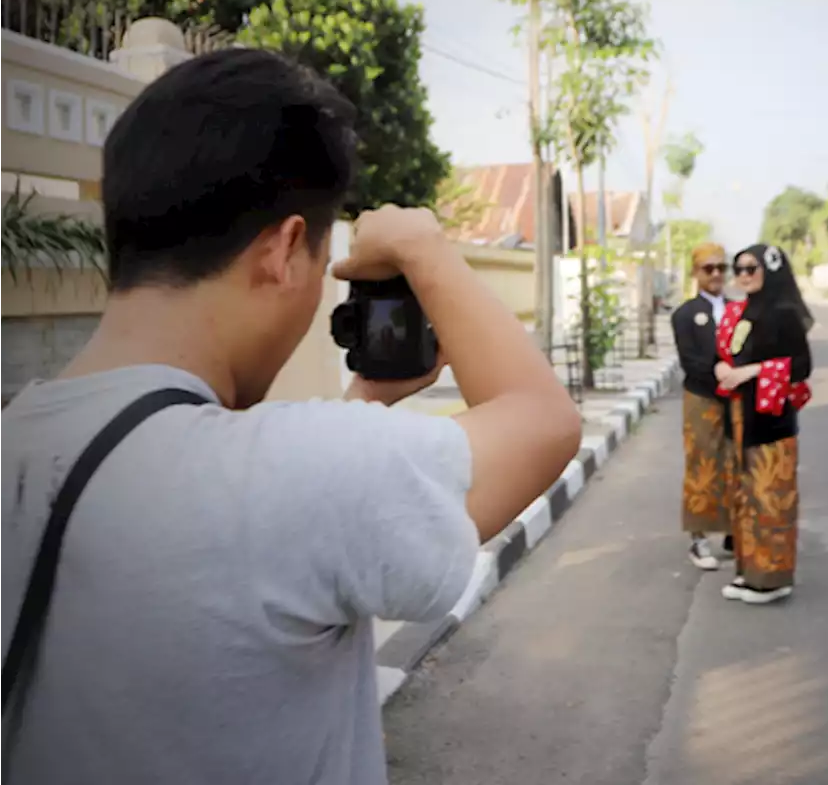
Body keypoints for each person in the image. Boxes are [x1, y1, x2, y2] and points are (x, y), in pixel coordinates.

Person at [0, 49, 582, 785]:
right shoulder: (290, 479)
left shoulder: (20, 437)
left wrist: (366, 401)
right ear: (280, 251)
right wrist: (420, 245)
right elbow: (544, 420)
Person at [714, 244, 814, 605]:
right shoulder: (740, 312)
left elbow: (801, 366)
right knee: (745, 498)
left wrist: (751, 372)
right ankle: (748, 572)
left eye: (751, 268)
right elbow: (725, 355)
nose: (742, 275)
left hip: (771, 422)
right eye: (737, 268)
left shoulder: (784, 313)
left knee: (771, 497)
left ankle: (772, 579)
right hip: (740, 418)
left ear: (770, 270)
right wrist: (722, 369)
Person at [670, 243, 736, 570]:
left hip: (737, 399)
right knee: (702, 466)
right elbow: (691, 361)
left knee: (735, 464)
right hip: (702, 398)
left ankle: (732, 531)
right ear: (696, 273)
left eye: (721, 268)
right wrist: (721, 379)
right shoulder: (684, 315)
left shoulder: (739, 310)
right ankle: (698, 538)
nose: (715, 275)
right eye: (708, 268)